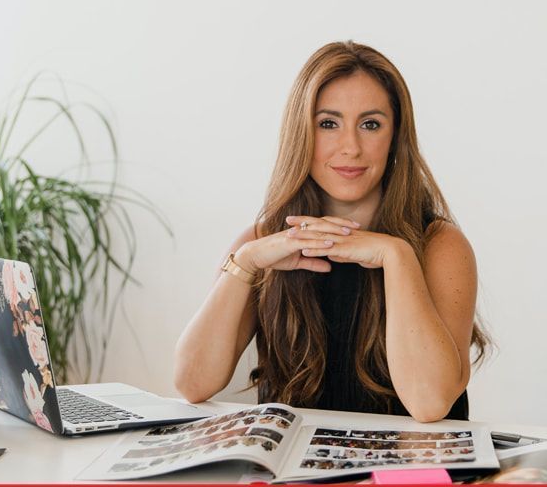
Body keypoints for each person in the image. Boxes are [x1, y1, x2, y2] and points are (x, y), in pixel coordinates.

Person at [174, 41, 491, 422]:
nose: (351, 148)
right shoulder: (259, 244)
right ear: (301, 133)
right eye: (328, 123)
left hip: (411, 477)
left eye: (370, 124)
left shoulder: (440, 245)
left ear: (395, 136)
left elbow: (429, 403)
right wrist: (245, 262)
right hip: (293, 478)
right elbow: (192, 384)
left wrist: (397, 256)